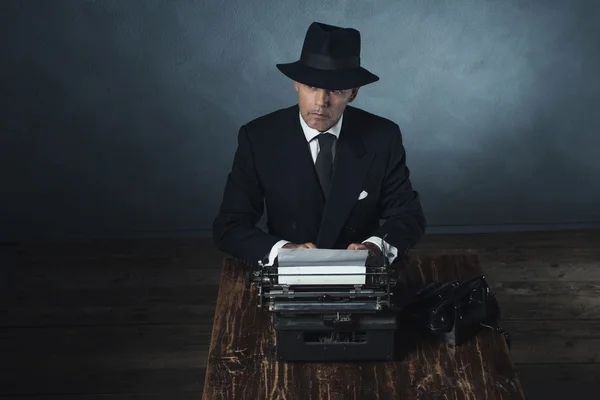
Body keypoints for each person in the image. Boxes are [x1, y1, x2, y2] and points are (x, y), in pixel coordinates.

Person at [213, 22, 426, 269]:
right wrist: (282, 251)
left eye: (335, 90)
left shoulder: (383, 136)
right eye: (311, 86)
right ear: (296, 83)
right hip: (289, 274)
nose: (321, 102)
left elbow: (408, 216)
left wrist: (375, 246)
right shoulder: (258, 137)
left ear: (353, 93)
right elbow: (229, 227)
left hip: (362, 274)